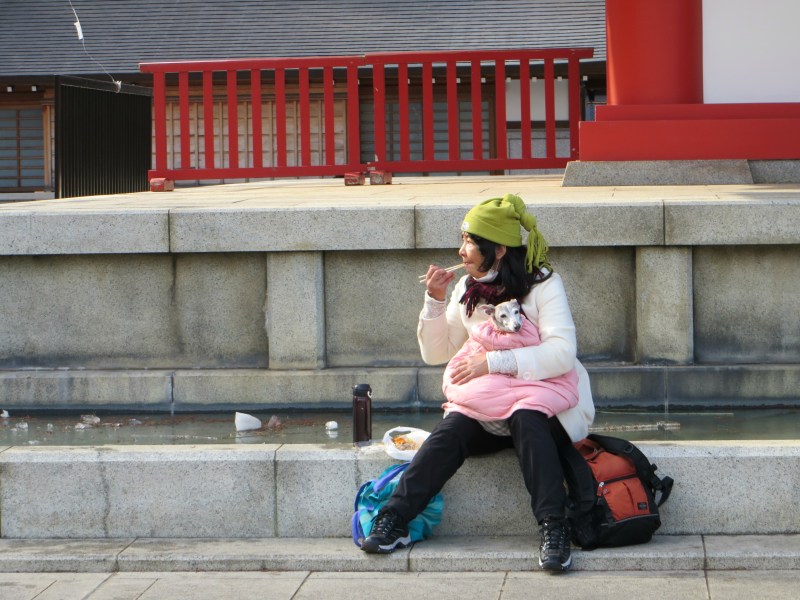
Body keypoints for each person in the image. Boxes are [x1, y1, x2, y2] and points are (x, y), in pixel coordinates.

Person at [360, 193, 595, 572]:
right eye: (463, 240)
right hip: (487, 403)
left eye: (470, 241)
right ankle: (395, 518)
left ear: (499, 249)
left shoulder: (544, 284)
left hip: (546, 401)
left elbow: (562, 353)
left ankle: (555, 528)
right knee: (450, 430)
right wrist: (435, 301)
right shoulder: (466, 288)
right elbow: (438, 353)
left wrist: (494, 361)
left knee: (528, 418)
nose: (462, 250)